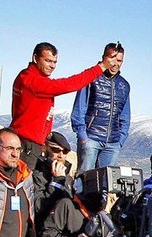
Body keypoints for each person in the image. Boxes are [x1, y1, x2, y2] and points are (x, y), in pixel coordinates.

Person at [10, 42, 122, 170]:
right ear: (35, 58)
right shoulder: (33, 81)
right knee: (24, 183)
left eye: (55, 62)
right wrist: (101, 67)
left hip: (28, 141)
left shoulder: (26, 76)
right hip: (28, 144)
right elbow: (69, 84)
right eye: (48, 61)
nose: (52, 66)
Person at [71, 42, 131, 172]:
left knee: (105, 183)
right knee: (83, 180)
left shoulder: (124, 85)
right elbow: (79, 110)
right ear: (105, 57)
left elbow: (125, 116)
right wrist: (83, 137)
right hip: (91, 138)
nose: (115, 64)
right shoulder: (91, 78)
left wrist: (120, 140)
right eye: (112, 59)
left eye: (119, 60)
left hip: (113, 143)